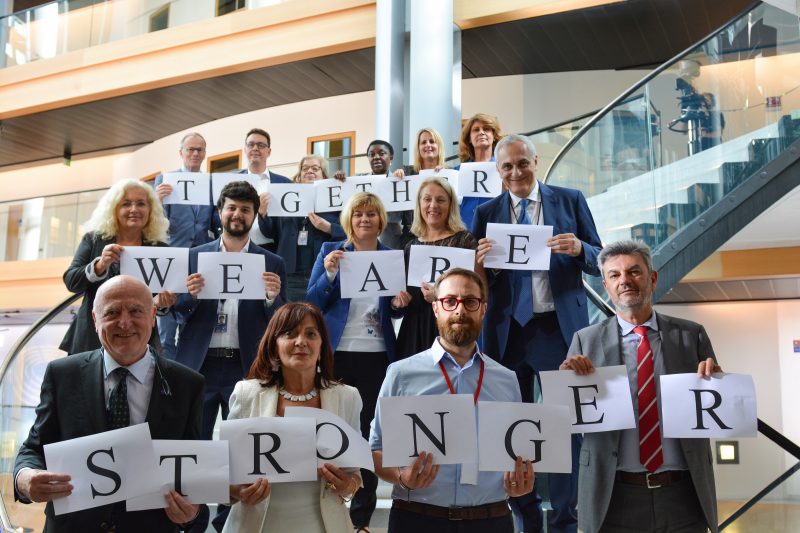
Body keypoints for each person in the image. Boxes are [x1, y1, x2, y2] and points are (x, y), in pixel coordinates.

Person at [472, 133, 603, 533]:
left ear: (536, 161)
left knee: (564, 428)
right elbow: (479, 282)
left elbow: (601, 260)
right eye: (507, 166)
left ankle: (566, 520)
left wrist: (580, 249)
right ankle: (525, 515)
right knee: (511, 427)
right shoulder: (486, 212)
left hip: (557, 330)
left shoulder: (570, 200)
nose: (516, 172)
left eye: (522, 163)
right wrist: (480, 264)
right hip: (506, 332)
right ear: (498, 170)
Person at [14, 275, 204, 532]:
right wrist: (25, 479)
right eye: (112, 312)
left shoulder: (187, 384)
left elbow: (194, 469)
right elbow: (34, 449)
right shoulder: (62, 375)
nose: (124, 322)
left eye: (136, 310)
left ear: (152, 316)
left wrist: (191, 513)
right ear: (95, 320)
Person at [559, 239, 721, 533]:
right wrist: (565, 388)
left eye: (634, 272)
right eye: (615, 275)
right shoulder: (585, 341)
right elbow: (565, 423)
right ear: (606, 287)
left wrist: (718, 384)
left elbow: (712, 414)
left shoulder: (692, 335)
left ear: (653, 278)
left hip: (683, 495)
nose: (625, 281)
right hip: (613, 496)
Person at [370, 268, 535, 533]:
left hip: (490, 520)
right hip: (417, 519)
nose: (460, 310)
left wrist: (520, 483)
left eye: (470, 301)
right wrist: (401, 478)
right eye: (450, 301)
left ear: (483, 309)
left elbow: (514, 454)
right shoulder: (401, 374)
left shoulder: (507, 380)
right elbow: (375, 448)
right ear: (436, 308)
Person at [306, 191, 411, 533]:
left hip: (378, 354)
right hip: (338, 353)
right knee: (331, 430)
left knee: (368, 436)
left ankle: (361, 519)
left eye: (371, 214)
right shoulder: (330, 251)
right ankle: (325, 507)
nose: (364, 220)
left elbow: (399, 307)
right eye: (358, 214)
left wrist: (399, 302)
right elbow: (313, 300)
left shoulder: (391, 257)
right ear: (348, 219)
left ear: (381, 220)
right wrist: (330, 274)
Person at [222, 302, 363, 533]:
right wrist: (237, 491)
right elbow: (223, 470)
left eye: (310, 334)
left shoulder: (347, 398)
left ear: (321, 346)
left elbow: (354, 474)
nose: (301, 342)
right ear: (274, 346)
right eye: (290, 334)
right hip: (256, 525)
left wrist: (349, 486)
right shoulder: (246, 394)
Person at [172, 180, 288, 440]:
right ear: (220, 212)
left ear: (255, 216)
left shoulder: (273, 262)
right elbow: (179, 312)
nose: (238, 214)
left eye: (246, 209)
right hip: (200, 365)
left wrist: (272, 298)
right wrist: (190, 296)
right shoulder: (193, 257)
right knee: (194, 444)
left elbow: (282, 323)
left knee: (244, 447)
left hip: (246, 365)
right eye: (232, 208)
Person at [59, 179, 174, 356]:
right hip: (92, 338)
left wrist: (162, 303)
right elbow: (71, 281)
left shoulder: (159, 249)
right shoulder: (94, 240)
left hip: (139, 340)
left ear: (150, 211)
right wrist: (100, 264)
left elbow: (162, 299)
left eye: (141, 204)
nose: (134, 210)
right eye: (126, 204)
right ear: (114, 209)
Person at [395, 176, 479, 359]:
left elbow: (476, 293)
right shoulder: (410, 247)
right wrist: (397, 302)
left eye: (441, 200)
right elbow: (399, 302)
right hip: (414, 331)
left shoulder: (464, 241)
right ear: (419, 205)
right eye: (427, 199)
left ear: (450, 206)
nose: (433, 205)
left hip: (452, 329)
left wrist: (441, 297)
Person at [154, 132, 221, 359]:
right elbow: (155, 222)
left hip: (200, 259)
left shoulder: (210, 183)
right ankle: (166, 379)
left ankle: (186, 375)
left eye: (199, 150)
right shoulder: (165, 179)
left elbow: (215, 222)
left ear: (204, 153)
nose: (195, 153)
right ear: (180, 152)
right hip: (171, 257)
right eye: (190, 149)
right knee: (166, 325)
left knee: (191, 321)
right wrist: (157, 200)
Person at [268, 154, 345, 301]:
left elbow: (350, 232)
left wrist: (328, 228)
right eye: (305, 168)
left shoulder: (335, 198)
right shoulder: (286, 198)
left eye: (315, 168)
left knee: (318, 321)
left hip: (322, 273)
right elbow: (270, 232)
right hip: (291, 275)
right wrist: (262, 213)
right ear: (300, 174)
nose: (309, 171)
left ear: (324, 175)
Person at [238, 128, 292, 253]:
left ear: (269, 152)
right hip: (237, 248)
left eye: (261, 145)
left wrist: (263, 214)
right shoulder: (232, 181)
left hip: (271, 249)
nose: (255, 148)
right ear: (245, 149)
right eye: (251, 144)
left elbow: (288, 225)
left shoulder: (285, 183)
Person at [364, 139, 414, 250]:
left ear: (391, 157)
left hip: (392, 243)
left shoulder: (400, 181)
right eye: (371, 155)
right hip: (364, 243)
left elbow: (403, 217)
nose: (376, 157)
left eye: (381, 153)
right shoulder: (359, 181)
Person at [457, 113, 503, 230]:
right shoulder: (457, 171)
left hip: (494, 234)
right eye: (476, 130)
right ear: (469, 139)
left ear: (494, 136)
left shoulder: (505, 169)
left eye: (486, 129)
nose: (481, 132)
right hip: (463, 234)